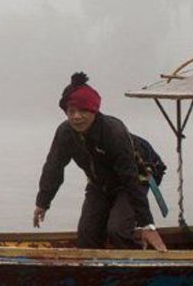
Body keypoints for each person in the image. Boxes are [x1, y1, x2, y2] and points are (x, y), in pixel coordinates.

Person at [33, 71, 166, 252]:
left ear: (94, 110)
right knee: (87, 233)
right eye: (71, 111)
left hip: (135, 178)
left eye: (83, 111)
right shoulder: (65, 133)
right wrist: (42, 202)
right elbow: (53, 167)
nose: (76, 117)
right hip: (100, 184)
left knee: (117, 230)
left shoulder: (114, 133)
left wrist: (148, 225)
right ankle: (96, 275)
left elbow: (130, 179)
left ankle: (139, 264)